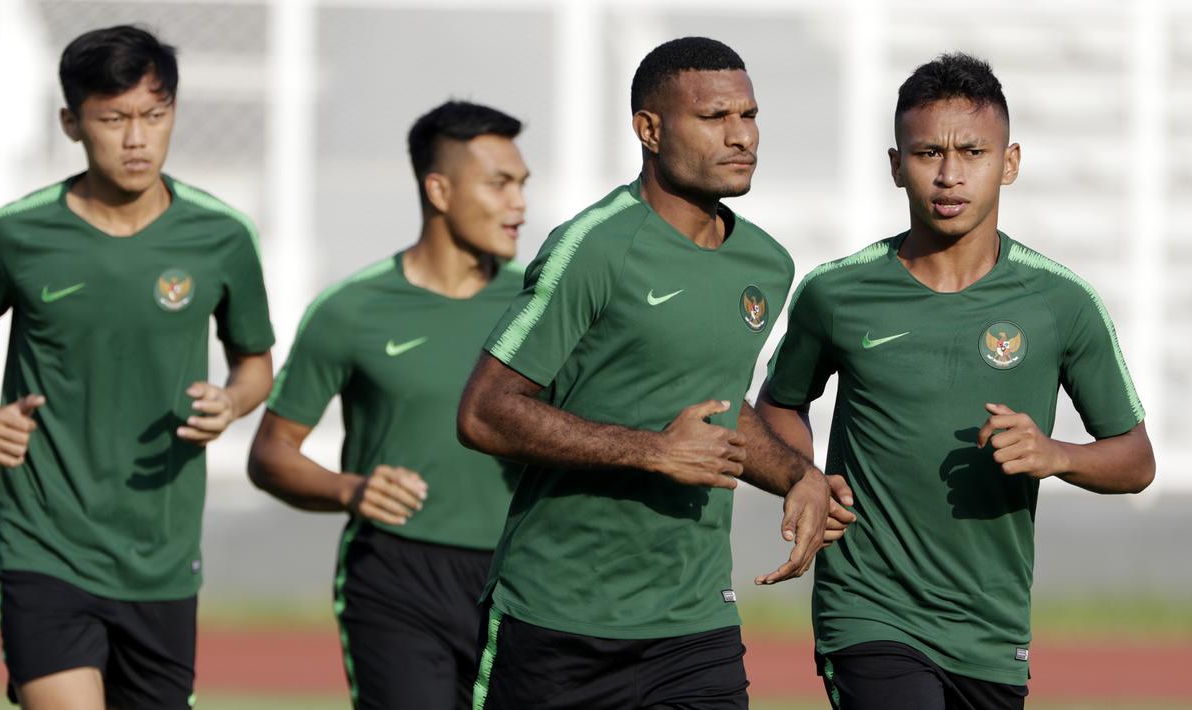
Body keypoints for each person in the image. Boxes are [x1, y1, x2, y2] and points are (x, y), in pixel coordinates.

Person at [758, 53, 1155, 710]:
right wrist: (802, 475)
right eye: (927, 153)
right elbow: (778, 404)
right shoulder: (836, 292)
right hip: (868, 608)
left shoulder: (1062, 303)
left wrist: (1055, 455)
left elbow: (1136, 460)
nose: (949, 175)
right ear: (895, 165)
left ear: (1009, 163)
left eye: (972, 152)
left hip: (991, 626)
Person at [457, 36, 841, 710]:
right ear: (649, 129)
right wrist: (653, 452)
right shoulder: (593, 247)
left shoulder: (766, 263)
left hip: (695, 624)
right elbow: (485, 411)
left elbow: (717, 401)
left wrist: (796, 475)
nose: (741, 136)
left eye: (748, 115)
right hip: (558, 620)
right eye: (713, 117)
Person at [0, 25, 275, 709]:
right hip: (45, 542)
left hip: (161, 558)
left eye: (153, 116)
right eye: (113, 119)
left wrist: (231, 403)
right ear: (71, 123)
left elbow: (255, 364)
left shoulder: (222, 236)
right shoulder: (16, 233)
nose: (137, 139)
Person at [247, 100, 529, 709]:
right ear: (439, 190)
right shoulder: (349, 310)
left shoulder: (540, 308)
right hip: (396, 577)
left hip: (524, 579)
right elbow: (270, 454)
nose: (519, 205)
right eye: (500, 184)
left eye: (522, 184)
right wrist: (350, 489)